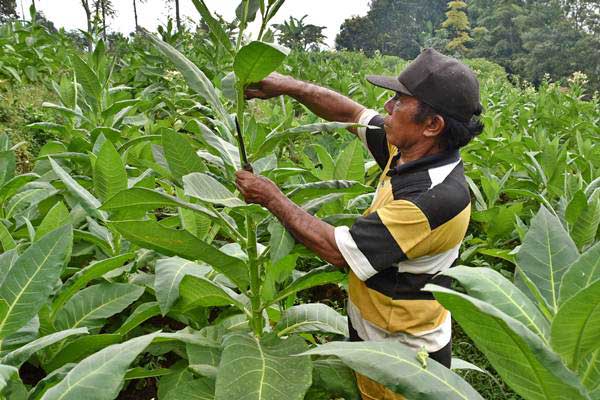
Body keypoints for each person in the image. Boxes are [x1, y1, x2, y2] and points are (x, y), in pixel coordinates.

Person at [236, 48, 483, 400]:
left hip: (403, 353)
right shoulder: (413, 149)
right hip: (374, 324)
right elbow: (351, 112)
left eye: (399, 101)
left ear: (432, 125)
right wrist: (289, 86)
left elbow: (338, 251)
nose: (388, 107)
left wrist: (270, 196)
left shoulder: (432, 200)